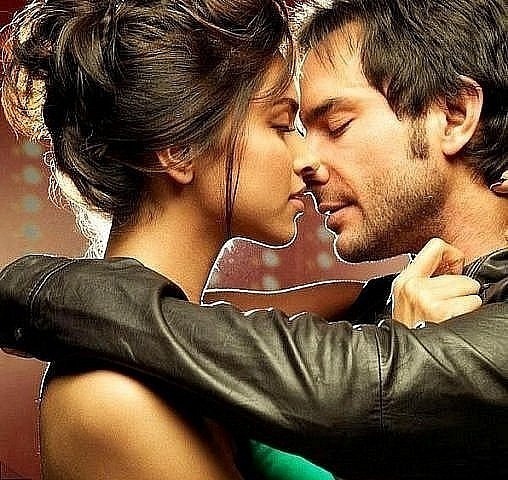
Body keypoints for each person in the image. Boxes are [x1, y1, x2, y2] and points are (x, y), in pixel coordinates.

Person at [0, 0, 506, 478]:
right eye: (283, 124)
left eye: (335, 125)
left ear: (454, 115)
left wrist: (41, 288)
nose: (305, 159)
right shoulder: (117, 394)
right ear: (178, 147)